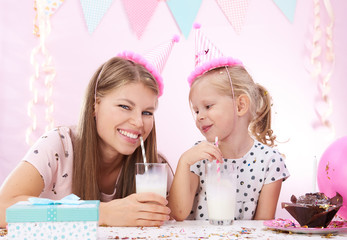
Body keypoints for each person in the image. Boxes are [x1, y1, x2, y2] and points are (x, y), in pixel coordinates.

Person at [0, 51, 174, 228]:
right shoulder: (58, 146)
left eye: (147, 113)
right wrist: (102, 213)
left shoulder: (155, 168)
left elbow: (180, 222)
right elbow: (3, 208)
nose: (138, 122)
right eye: (125, 106)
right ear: (94, 105)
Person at [168, 24, 290, 221]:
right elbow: (178, 214)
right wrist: (184, 162)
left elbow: (261, 227)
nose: (199, 116)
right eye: (196, 110)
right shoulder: (198, 156)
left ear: (241, 105)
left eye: (208, 106)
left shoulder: (269, 161)